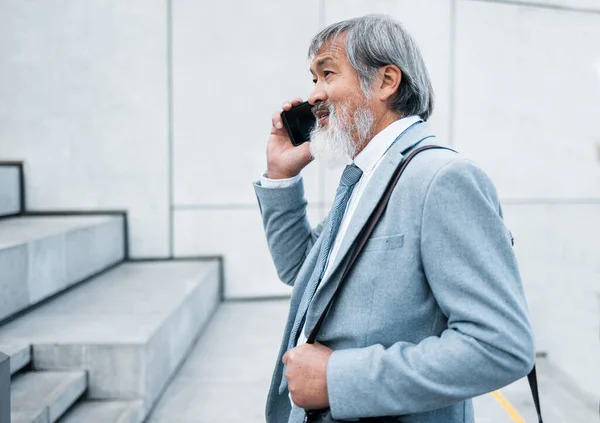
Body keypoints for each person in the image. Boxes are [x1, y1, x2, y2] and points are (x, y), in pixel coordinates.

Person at [253, 14, 535, 423]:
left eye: (327, 74)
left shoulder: (442, 179)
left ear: (386, 81)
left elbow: (499, 346)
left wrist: (339, 378)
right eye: (313, 79)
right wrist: (280, 175)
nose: (313, 95)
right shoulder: (366, 174)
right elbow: (302, 270)